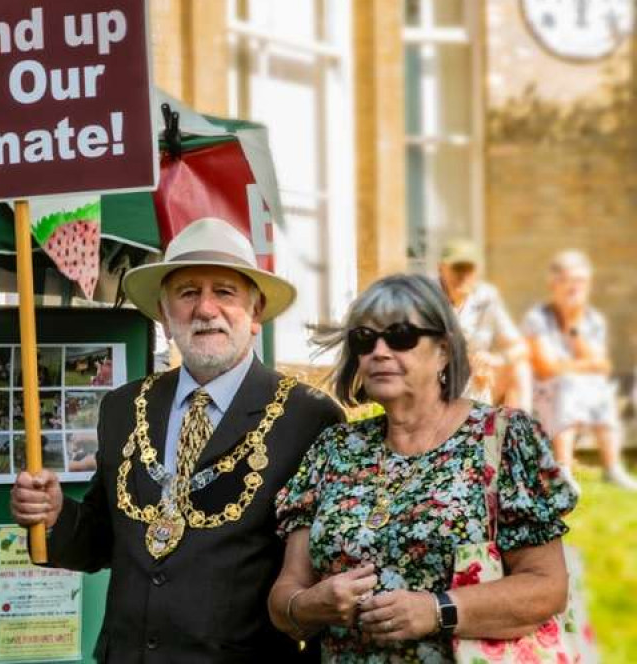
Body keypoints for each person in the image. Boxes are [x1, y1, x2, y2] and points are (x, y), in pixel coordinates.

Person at [10, 218, 344, 663]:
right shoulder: (122, 408)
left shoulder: (309, 416)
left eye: (224, 292)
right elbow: (103, 539)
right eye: (188, 293)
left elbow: (321, 571)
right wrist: (53, 516)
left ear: (256, 312)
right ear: (166, 317)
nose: (205, 309)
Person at [269, 274, 576, 662]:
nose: (379, 351)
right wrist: (310, 605)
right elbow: (285, 597)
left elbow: (547, 587)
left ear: (444, 351)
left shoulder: (502, 438)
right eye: (364, 338)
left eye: (400, 336)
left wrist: (437, 611)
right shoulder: (333, 449)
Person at [522, 250, 637, 493]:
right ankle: (563, 470)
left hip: (579, 390)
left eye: (581, 282)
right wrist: (581, 367)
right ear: (553, 284)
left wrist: (574, 331)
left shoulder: (593, 319)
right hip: (542, 392)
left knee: (602, 388)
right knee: (569, 384)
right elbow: (544, 368)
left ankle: (612, 468)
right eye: (569, 281)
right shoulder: (538, 318)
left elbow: (603, 367)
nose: (576, 288)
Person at [437, 238, 531, 410]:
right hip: (438, 383)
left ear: (477, 272)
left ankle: (517, 433)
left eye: (469, 269)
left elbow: (520, 347)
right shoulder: (427, 299)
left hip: (477, 381)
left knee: (520, 369)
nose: (462, 276)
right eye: (457, 268)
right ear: (441, 268)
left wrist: (494, 360)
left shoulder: (487, 296)